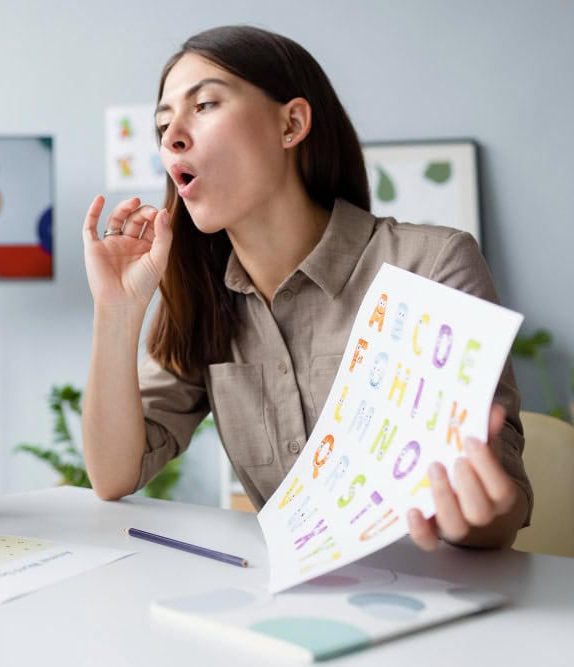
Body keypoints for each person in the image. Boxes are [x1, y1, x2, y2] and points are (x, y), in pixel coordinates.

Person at [81, 25, 531, 550]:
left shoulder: (432, 265)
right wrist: (116, 311)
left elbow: (501, 505)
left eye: (204, 105)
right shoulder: (204, 296)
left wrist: (476, 513)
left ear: (291, 123)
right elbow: (114, 475)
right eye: (162, 124)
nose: (172, 136)